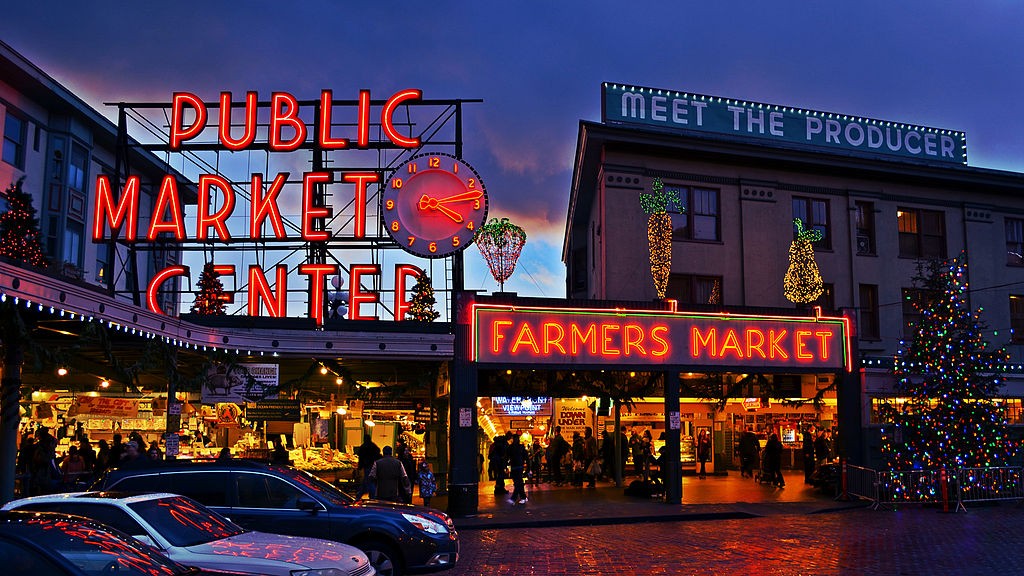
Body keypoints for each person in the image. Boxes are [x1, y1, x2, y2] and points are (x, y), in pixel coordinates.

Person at [355, 434, 381, 499]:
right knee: (369, 480)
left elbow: (360, 457)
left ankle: (364, 495)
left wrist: (360, 466)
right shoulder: (373, 446)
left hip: (367, 466)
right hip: (373, 466)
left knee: (368, 480)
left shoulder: (363, 447)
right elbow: (378, 452)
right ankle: (365, 494)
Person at [507, 434, 528, 504]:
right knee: (519, 482)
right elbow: (526, 457)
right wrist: (528, 467)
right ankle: (523, 497)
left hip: (514, 467)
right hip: (520, 466)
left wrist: (505, 466)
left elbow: (506, 457)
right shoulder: (521, 447)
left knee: (517, 482)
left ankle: (514, 498)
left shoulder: (510, 447)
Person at [395, 439, 417, 503]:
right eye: (406, 451)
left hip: (407, 479)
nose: (407, 452)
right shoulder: (407, 461)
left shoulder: (403, 461)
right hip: (407, 479)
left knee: (405, 493)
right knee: (406, 493)